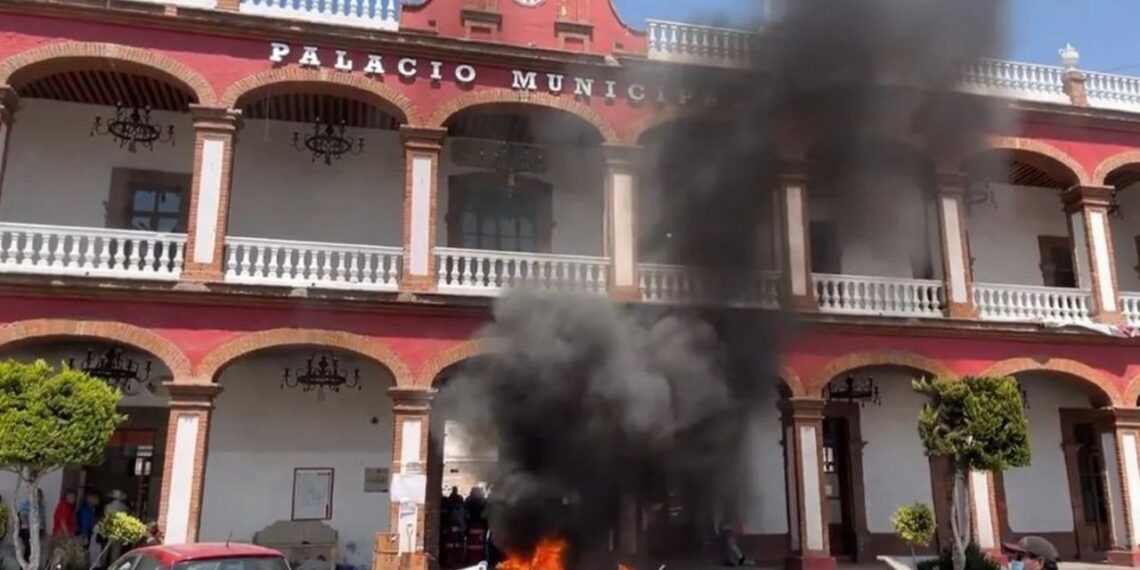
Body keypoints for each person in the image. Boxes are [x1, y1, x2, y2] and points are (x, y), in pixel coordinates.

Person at [17, 489, 46, 559]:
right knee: (29, 548)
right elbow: (23, 518)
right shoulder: (26, 504)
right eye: (37, 496)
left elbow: (42, 520)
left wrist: (43, 530)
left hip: (38, 530)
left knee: (36, 550)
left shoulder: (41, 506)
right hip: (27, 530)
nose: (38, 498)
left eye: (40, 496)